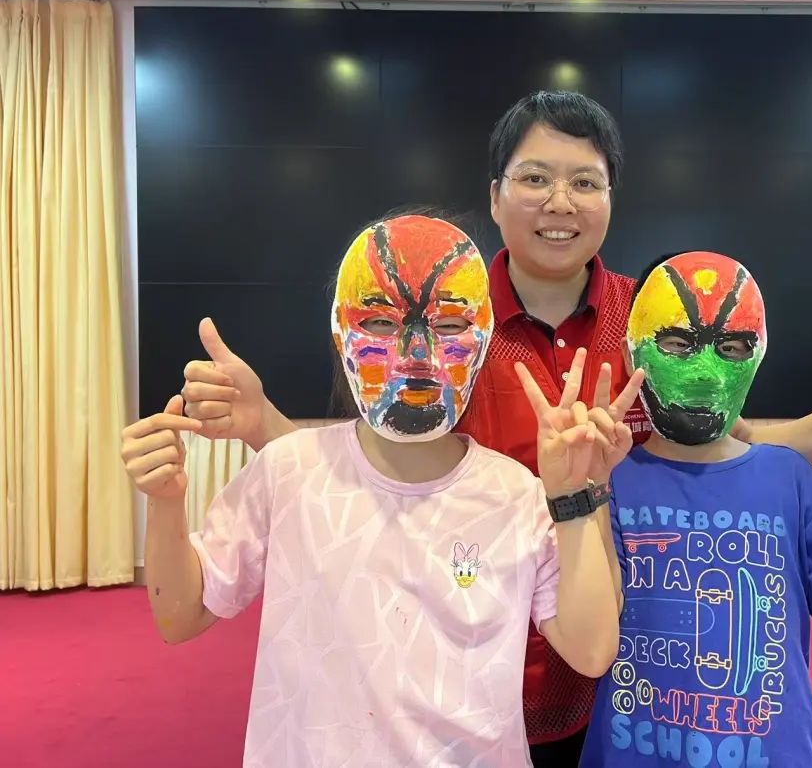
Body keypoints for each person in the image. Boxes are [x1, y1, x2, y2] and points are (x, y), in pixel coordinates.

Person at [178, 91, 812, 764]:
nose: (559, 202)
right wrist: (264, 423)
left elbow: (719, 460)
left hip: (621, 684)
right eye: (535, 177)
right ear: (496, 195)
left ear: (611, 198)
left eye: (585, 182)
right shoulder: (449, 319)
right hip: (460, 676)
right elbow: (363, 478)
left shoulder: (651, 320)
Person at [121, 215, 638, 767]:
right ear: (340, 332)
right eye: (380, 324)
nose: (416, 352)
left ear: (484, 337)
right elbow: (181, 615)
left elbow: (591, 651)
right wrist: (166, 502)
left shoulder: (514, 495)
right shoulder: (287, 471)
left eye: (448, 325)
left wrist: (575, 497)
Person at [579, 251, 812, 767]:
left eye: (731, 347)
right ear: (632, 354)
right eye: (678, 343)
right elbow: (588, 634)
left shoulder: (787, 478)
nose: (705, 373)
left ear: (756, 357)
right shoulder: (610, 482)